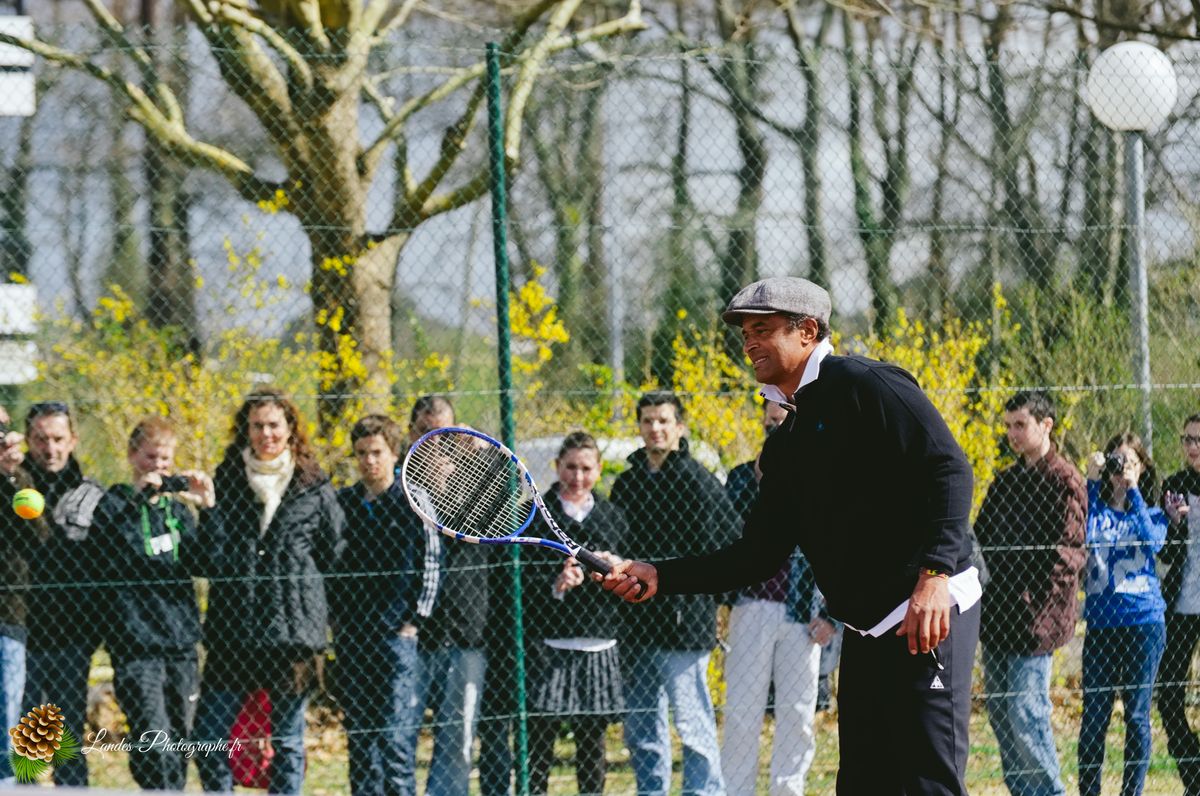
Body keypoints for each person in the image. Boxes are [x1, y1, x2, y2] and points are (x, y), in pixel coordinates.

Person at [602, 277, 982, 795]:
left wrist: (934, 575)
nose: (749, 343)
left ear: (807, 331)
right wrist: (658, 575)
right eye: (745, 334)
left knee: (927, 782)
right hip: (869, 628)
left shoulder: (868, 384)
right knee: (864, 784)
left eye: (762, 330)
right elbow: (756, 556)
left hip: (929, 612)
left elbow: (949, 469)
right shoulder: (786, 444)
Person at [192, 387, 345, 794]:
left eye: (274, 425)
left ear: (290, 428)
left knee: (288, 741)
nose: (266, 434)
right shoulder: (226, 480)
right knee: (208, 736)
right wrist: (208, 511)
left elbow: (333, 554)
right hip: (234, 631)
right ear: (245, 430)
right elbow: (210, 561)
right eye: (257, 426)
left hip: (292, 635)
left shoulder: (314, 485)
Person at [608, 391, 737, 796]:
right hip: (637, 623)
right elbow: (618, 545)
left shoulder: (699, 483)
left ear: (679, 427)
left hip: (684, 625)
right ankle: (651, 791)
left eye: (663, 420)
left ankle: (704, 792)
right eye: (648, 420)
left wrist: (717, 604)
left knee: (692, 723)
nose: (655, 428)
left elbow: (729, 549)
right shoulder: (627, 484)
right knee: (642, 726)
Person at [88, 417, 213, 790]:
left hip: (180, 644)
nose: (158, 466)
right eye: (150, 457)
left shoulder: (177, 513)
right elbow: (105, 557)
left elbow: (208, 563)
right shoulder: (113, 505)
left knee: (181, 735)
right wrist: (138, 500)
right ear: (132, 456)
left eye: (165, 459)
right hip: (136, 646)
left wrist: (208, 508)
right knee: (153, 735)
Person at [721, 400, 836, 796]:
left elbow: (837, 548)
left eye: (783, 419)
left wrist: (832, 615)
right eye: (770, 420)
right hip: (751, 604)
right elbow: (729, 535)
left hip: (803, 610)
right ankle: (736, 790)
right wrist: (760, 480)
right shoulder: (741, 477)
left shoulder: (821, 477)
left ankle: (789, 789)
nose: (776, 426)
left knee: (798, 711)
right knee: (741, 710)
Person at [974, 390, 1086, 796]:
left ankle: (1050, 792)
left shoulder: (1065, 481)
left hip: (1035, 622)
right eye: (1008, 426)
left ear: (1046, 425)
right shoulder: (1005, 482)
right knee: (1002, 714)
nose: (1012, 434)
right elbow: (979, 542)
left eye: (1020, 425)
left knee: (1027, 713)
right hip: (997, 617)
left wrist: (1034, 603)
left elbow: (1069, 554)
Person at [331, 414, 440, 796]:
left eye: (376, 452)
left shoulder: (413, 500)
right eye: (361, 453)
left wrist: (415, 620)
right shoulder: (343, 503)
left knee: (396, 741)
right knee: (361, 743)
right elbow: (331, 567)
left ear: (394, 453)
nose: (369, 461)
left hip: (396, 637)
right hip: (353, 639)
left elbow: (431, 562)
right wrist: (337, 621)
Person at [521, 432, 626, 795]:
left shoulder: (614, 516)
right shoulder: (535, 515)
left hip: (598, 641)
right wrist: (556, 584)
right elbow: (519, 580)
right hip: (549, 643)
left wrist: (615, 568)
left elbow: (632, 578)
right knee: (539, 741)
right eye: (570, 467)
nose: (577, 476)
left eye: (586, 468)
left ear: (598, 469)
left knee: (591, 743)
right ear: (556, 467)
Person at [21, 400, 106, 787]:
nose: (49, 448)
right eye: (41, 439)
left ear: (72, 440)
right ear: (28, 440)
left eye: (57, 439)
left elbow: (106, 567)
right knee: (25, 742)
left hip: (73, 637)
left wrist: (95, 631)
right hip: (21, 634)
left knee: (66, 739)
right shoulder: (11, 488)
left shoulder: (92, 496)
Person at [1077, 432, 1168, 796]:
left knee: (1137, 716)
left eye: (1130, 462)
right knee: (1094, 717)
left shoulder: (1154, 510)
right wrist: (1091, 481)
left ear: (1142, 467)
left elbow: (1152, 542)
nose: (1121, 469)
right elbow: (1079, 533)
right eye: (1116, 461)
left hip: (1143, 622)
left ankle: (1132, 792)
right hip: (1101, 624)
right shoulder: (1096, 508)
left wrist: (1133, 491)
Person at [412, 395, 493, 796]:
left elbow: (512, 497)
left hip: (466, 633)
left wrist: (482, 452)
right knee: (400, 732)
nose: (436, 443)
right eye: (426, 433)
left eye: (445, 434)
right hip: (411, 633)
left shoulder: (476, 487)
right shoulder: (399, 487)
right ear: (412, 434)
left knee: (457, 736)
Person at [0, 406, 48, 787]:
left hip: (8, 616)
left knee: (7, 707)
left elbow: (39, 536)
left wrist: (11, 475)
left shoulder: (20, 479)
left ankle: (7, 784)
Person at [1158, 413, 1200, 794]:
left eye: (1199, 440)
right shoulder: (1174, 487)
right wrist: (1173, 523)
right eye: (1187, 439)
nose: (1193, 446)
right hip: (1182, 608)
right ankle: (1194, 776)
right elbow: (1165, 554)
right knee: (1169, 697)